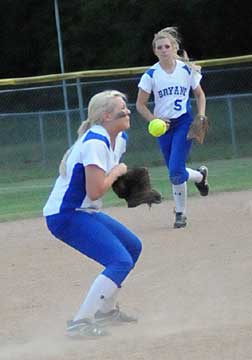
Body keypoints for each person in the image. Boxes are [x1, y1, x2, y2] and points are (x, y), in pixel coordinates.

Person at [43, 90, 142, 337]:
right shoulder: (95, 141)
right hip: (66, 214)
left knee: (133, 247)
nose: (128, 112)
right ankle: (81, 322)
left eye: (127, 107)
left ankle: (106, 312)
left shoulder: (119, 139)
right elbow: (96, 190)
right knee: (120, 260)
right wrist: (118, 173)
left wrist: (120, 179)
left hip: (85, 211)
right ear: (106, 116)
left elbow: (103, 180)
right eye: (123, 109)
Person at [136, 27, 209, 229]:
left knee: (175, 170)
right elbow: (140, 105)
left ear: (174, 47)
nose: (164, 50)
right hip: (163, 127)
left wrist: (201, 115)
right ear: (155, 51)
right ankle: (200, 176)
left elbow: (200, 95)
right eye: (159, 47)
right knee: (174, 171)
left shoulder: (186, 70)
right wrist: (154, 119)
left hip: (184, 122)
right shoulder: (151, 74)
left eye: (167, 46)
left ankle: (180, 213)